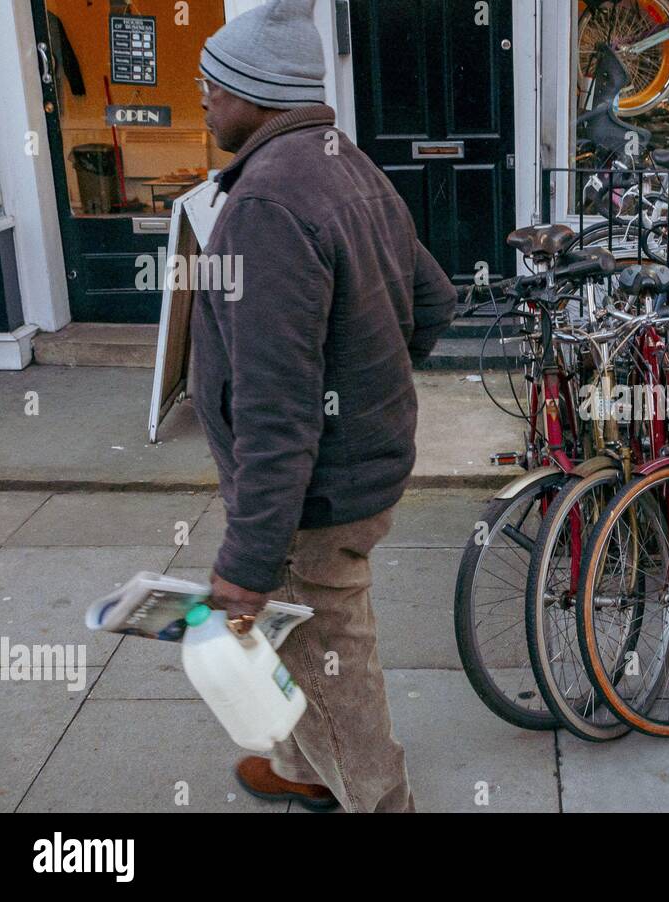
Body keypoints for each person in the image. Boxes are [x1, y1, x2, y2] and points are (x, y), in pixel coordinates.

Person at [191, 0, 456, 812]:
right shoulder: (350, 164)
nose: (203, 98)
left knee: (329, 653)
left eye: (214, 85)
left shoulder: (265, 205)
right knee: (310, 639)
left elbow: (278, 413)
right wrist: (371, 374)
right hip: (360, 461)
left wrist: (243, 565)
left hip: (316, 489)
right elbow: (435, 301)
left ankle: (378, 800)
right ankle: (307, 772)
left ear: (257, 93)